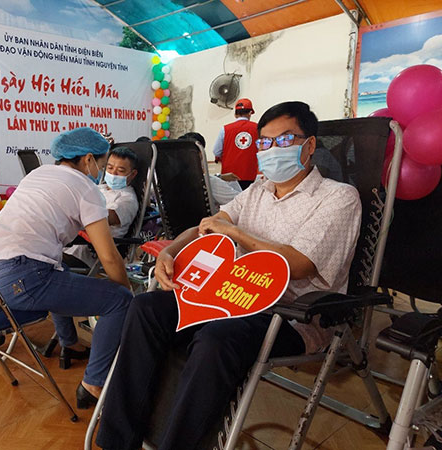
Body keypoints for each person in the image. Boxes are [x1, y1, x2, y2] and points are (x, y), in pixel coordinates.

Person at [96, 101, 362, 450]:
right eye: (265, 143)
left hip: (288, 315)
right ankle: (117, 441)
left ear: (309, 145)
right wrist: (170, 251)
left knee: (218, 338)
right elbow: (206, 226)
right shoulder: (257, 191)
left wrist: (238, 234)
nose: (272, 150)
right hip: (227, 298)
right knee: (146, 308)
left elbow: (299, 264)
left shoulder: (338, 197)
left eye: (284, 140)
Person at [0, 127, 132, 408]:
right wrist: (126, 293)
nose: (102, 171)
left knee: (59, 273)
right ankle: (94, 384)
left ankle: (69, 344)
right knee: (119, 301)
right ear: (88, 159)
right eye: (103, 163)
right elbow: (108, 257)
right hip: (18, 280)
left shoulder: (38, 174)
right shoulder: (87, 189)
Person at [63, 147, 139, 268]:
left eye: (120, 170)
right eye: (110, 168)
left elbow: (106, 217)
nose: (113, 173)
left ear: (133, 174)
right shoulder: (99, 188)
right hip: (69, 243)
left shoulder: (127, 199)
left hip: (88, 252)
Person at [179, 132, 242, 206]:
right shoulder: (210, 183)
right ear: (200, 155)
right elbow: (241, 203)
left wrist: (219, 177)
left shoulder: (173, 180)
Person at [213, 98, 259, 190]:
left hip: (229, 177)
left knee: (232, 199)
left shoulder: (225, 129)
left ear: (235, 114)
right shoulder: (258, 128)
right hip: (250, 175)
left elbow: (216, 151)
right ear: (250, 113)